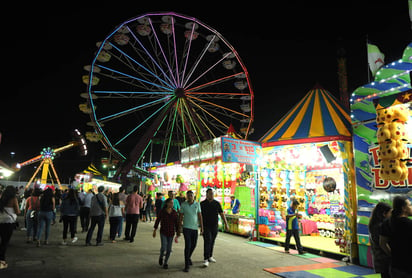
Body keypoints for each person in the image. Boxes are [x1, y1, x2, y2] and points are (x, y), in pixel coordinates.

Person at [380, 195, 412, 276]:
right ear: (403, 208)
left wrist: (392, 254)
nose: (411, 207)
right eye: (410, 205)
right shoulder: (409, 224)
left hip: (395, 266)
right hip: (408, 267)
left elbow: (382, 243)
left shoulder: (387, 223)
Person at [200, 188, 229, 267]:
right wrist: (200, 227)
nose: (211, 195)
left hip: (214, 226)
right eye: (209, 194)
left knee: (212, 241)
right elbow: (199, 216)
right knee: (207, 241)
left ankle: (210, 256)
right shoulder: (202, 204)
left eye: (212, 194)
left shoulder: (217, 203)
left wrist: (226, 224)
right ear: (206, 195)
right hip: (205, 226)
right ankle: (205, 258)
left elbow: (221, 214)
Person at [179, 190, 203, 272]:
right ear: (186, 196)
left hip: (195, 228)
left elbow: (200, 216)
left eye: (191, 195)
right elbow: (181, 217)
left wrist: (202, 228)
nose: (190, 197)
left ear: (193, 196)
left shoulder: (197, 204)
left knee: (194, 245)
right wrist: (179, 228)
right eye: (188, 195)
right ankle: (186, 265)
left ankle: (188, 257)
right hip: (186, 228)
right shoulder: (183, 205)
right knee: (188, 245)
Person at [153, 198, 180, 269]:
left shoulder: (174, 212)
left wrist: (178, 232)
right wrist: (155, 230)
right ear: (167, 203)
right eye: (170, 203)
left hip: (171, 233)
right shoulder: (162, 211)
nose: (172, 204)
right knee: (163, 247)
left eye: (172, 203)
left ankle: (165, 262)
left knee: (169, 249)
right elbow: (158, 220)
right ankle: (161, 256)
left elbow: (177, 223)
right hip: (163, 232)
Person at [368, 202, 392, 278]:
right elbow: (383, 244)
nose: (391, 215)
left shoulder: (374, 224)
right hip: (385, 260)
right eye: (390, 213)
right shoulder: (381, 227)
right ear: (384, 214)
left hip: (379, 260)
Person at [0, 186, 20, 269]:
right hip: (9, 222)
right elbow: (17, 211)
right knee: (5, 242)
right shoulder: (13, 199)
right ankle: (2, 261)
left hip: (0, 221)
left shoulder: (1, 198)